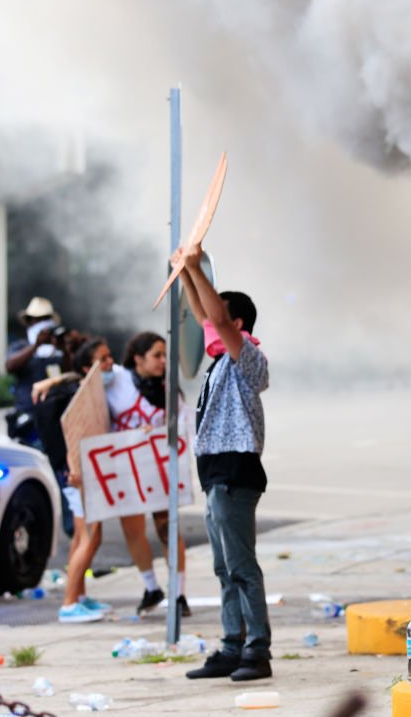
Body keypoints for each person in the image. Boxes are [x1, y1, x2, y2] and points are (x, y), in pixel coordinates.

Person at [174, 244, 274, 683]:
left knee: (241, 565)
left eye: (222, 318)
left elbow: (213, 318)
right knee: (223, 566)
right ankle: (232, 644)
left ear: (237, 324)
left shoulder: (247, 359)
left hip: (236, 471)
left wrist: (198, 268)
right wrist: (185, 275)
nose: (211, 323)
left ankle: (258, 649)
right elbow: (204, 316)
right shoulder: (219, 361)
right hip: (215, 471)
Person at [107, 331, 191, 618]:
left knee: (168, 528)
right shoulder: (118, 380)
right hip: (124, 469)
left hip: (158, 470)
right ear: (138, 358)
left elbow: (181, 430)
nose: (162, 361)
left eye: (165, 356)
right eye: (156, 355)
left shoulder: (170, 391)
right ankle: (150, 587)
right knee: (133, 530)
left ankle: (178, 594)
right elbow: (84, 380)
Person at [32, 337, 114, 623]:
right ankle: (69, 604)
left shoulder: (76, 390)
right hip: (78, 476)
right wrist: (75, 471)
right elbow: (73, 435)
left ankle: (78, 596)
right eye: (102, 359)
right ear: (86, 367)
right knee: (90, 538)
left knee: (83, 536)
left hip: (75, 475)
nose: (109, 363)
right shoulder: (77, 396)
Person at [6, 297, 68, 448]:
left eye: (46, 319)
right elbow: (10, 366)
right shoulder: (21, 346)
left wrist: (63, 348)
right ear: (30, 322)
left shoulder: (58, 350)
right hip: (29, 417)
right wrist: (36, 345)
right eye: (38, 320)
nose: (42, 324)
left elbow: (71, 372)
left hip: (55, 417)